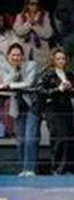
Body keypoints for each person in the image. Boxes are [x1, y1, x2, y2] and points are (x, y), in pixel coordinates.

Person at [0, 42, 40, 175]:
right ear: (8, 56)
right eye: (13, 55)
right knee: (21, 140)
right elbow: (6, 81)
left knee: (30, 138)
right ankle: (24, 168)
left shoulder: (31, 65)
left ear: (23, 56)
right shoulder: (6, 68)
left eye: (18, 55)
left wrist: (10, 85)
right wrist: (13, 69)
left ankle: (31, 169)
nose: (16, 57)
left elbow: (28, 83)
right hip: (17, 107)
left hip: (31, 106)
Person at [42, 48, 74, 175]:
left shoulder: (70, 74)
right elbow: (41, 91)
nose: (61, 61)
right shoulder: (47, 74)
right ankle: (57, 168)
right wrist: (58, 89)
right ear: (53, 59)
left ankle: (70, 168)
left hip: (67, 107)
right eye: (58, 58)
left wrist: (72, 88)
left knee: (69, 137)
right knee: (59, 137)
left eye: (63, 58)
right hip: (53, 108)